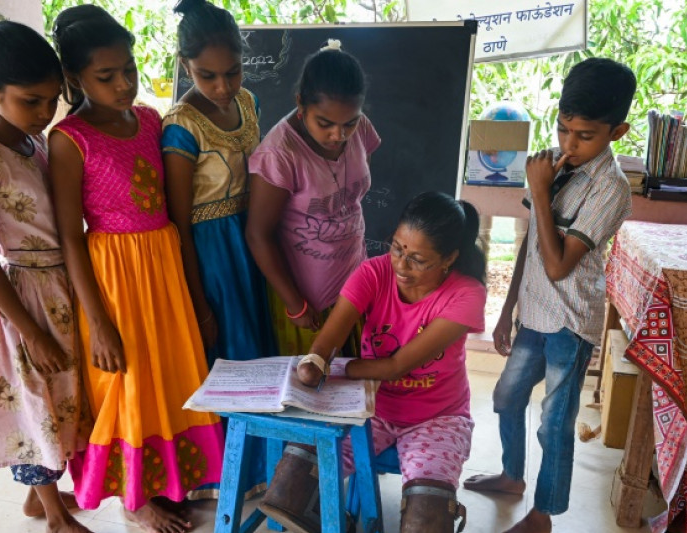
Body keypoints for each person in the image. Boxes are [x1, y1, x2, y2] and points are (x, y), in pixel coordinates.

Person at [48, 6, 223, 532]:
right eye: (107, 76)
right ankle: (134, 499)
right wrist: (97, 320)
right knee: (124, 384)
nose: (124, 83)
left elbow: (173, 206)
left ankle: (165, 484)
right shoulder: (69, 139)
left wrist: (192, 293)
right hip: (115, 276)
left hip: (163, 266)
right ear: (75, 78)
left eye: (130, 69)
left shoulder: (150, 119)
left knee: (167, 378)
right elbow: (70, 239)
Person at [462, 57, 637, 533]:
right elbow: (532, 246)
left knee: (554, 423)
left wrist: (539, 193)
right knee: (504, 398)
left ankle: (544, 515)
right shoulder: (555, 165)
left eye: (585, 136)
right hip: (533, 314)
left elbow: (560, 265)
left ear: (616, 132)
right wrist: (506, 312)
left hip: (570, 322)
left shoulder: (611, 190)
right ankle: (513, 476)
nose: (569, 144)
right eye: (563, 129)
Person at [259, 192, 487, 533]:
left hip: (437, 416)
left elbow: (396, 367)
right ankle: (339, 522)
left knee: (427, 514)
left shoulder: (466, 294)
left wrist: (338, 368)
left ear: (449, 258)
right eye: (397, 248)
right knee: (291, 486)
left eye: (418, 259)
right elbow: (329, 339)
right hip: (369, 406)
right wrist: (314, 361)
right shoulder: (373, 272)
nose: (401, 265)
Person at [0, 12, 90, 533]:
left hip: (58, 284)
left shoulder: (30, 143)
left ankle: (40, 499)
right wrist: (29, 331)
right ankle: (53, 513)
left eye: (52, 99)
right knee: (38, 399)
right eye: (31, 100)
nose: (44, 111)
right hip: (23, 298)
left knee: (64, 395)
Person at [161, 0, 277, 500]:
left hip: (252, 238)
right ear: (185, 65)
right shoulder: (180, 126)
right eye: (208, 76)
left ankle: (265, 469)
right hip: (211, 254)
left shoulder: (246, 102)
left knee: (259, 353)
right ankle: (224, 480)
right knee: (227, 360)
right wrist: (199, 298)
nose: (223, 86)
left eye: (233, 72)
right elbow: (180, 222)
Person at [245, 41, 380, 356]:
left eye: (349, 122)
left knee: (356, 385)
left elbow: (353, 196)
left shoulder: (360, 129)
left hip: (355, 283)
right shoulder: (280, 153)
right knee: (312, 388)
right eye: (325, 123)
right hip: (306, 300)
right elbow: (258, 234)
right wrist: (296, 304)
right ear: (301, 105)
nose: (339, 135)